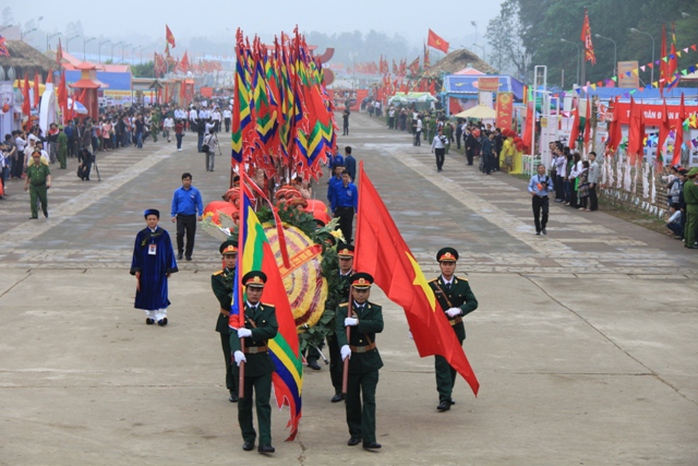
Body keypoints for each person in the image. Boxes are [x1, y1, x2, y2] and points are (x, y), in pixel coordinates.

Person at [230, 271, 279, 454]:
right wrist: (236, 350)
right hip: (243, 362)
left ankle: (265, 441)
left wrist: (251, 333)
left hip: (261, 362)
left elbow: (272, 330)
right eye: (252, 289)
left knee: (263, 403)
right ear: (246, 290)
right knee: (244, 403)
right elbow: (233, 333)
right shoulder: (238, 310)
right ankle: (248, 437)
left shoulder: (268, 310)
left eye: (259, 289)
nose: (255, 293)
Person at [336, 272, 383, 450]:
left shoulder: (375, 309)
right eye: (358, 290)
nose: (361, 294)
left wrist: (358, 323)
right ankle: (355, 433)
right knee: (352, 399)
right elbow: (339, 329)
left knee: (369, 399)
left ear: (369, 291)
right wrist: (343, 346)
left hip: (370, 360)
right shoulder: (343, 309)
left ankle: (369, 437)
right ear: (352, 291)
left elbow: (379, 325)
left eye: (364, 290)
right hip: (351, 359)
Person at [428, 248, 478, 411]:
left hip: (456, 329)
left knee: (453, 363)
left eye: (450, 264)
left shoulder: (462, 284)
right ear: (440, 265)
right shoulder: (432, 285)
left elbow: (473, 302)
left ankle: (448, 392)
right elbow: (425, 308)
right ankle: (444, 397)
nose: (447, 267)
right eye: (444, 264)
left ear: (455, 265)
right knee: (442, 363)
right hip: (440, 331)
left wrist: (460, 309)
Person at [129, 209, 178, 326]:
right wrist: (136, 269)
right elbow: (137, 252)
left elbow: (169, 251)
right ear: (146, 220)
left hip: (160, 268)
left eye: (154, 219)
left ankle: (161, 316)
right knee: (147, 291)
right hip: (146, 268)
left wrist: (169, 268)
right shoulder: (141, 235)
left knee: (160, 291)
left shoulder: (163, 234)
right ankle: (150, 315)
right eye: (149, 219)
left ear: (158, 220)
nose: (152, 221)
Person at [211, 239, 239, 402]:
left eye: (234, 256)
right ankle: (233, 388)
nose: (231, 260)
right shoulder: (217, 278)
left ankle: (245, 386)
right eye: (228, 256)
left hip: (247, 323)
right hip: (227, 321)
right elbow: (225, 300)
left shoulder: (246, 276)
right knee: (230, 357)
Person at [171, 173, 203, 261]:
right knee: (180, 234)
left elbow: (199, 203)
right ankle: (180, 251)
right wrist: (173, 215)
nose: (186, 182)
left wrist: (200, 214)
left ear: (191, 181)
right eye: (185, 180)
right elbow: (174, 203)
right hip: (181, 216)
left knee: (190, 236)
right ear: (182, 181)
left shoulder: (195, 191)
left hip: (191, 216)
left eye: (188, 180)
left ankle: (188, 254)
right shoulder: (177, 192)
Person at [331, 170, 358, 244]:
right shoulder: (337, 186)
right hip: (339, 210)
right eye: (343, 177)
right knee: (338, 227)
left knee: (348, 227)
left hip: (349, 210)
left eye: (346, 177)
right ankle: (338, 243)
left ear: (349, 177)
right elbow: (334, 199)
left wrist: (356, 211)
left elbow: (355, 200)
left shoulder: (353, 188)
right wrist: (333, 210)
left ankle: (348, 243)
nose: (344, 178)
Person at [24, 150, 51, 219]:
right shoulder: (31, 167)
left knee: (44, 201)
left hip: (42, 186)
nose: (36, 159)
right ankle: (34, 215)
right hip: (33, 186)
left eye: (37, 157)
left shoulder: (44, 166)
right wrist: (25, 185)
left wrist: (49, 182)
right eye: (35, 157)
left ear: (40, 158)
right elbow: (27, 176)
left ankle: (45, 211)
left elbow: (48, 174)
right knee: (33, 200)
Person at [528, 164, 552, 235]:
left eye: (542, 168)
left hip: (544, 197)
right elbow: (529, 186)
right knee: (536, 214)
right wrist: (531, 191)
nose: (540, 170)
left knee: (545, 212)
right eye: (539, 168)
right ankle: (538, 229)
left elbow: (552, 187)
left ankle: (543, 226)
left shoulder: (547, 178)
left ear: (544, 169)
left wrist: (546, 187)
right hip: (536, 197)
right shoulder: (534, 178)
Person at [683, 167, 698, 249]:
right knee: (693, 225)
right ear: (696, 175)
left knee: (688, 224)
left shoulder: (687, 183)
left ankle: (687, 241)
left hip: (688, 206)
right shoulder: (693, 185)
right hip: (694, 206)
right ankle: (691, 243)